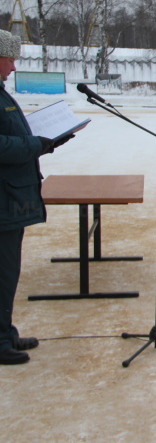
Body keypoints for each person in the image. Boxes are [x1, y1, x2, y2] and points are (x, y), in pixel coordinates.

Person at [0, 29, 71, 365]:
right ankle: (0, 343)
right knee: (2, 271)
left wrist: (47, 141)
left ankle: (5, 333)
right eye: (9, 58)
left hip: (11, 198)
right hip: (3, 200)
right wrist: (34, 144)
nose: (13, 66)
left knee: (8, 271)